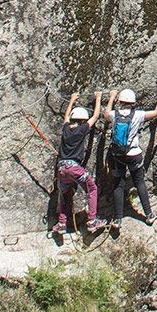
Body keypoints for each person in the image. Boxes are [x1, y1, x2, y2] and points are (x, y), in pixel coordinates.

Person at [104, 87, 157, 229]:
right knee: (139, 183)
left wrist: (111, 97)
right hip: (134, 154)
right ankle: (149, 215)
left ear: (120, 101)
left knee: (118, 185)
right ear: (132, 103)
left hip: (118, 155)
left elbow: (105, 114)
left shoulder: (114, 115)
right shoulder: (137, 115)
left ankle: (118, 219)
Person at [53, 92, 106, 234]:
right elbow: (95, 116)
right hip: (74, 169)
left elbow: (65, 118)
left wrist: (71, 100)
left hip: (62, 170)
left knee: (64, 194)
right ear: (83, 120)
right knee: (92, 189)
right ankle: (92, 221)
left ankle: (62, 224)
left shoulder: (65, 129)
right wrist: (98, 98)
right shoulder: (82, 129)